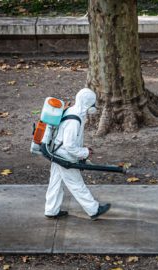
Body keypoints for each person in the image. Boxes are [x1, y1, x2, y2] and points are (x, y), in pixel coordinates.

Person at [44, 88, 110, 220]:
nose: (93, 107)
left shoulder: (71, 111)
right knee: (76, 183)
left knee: (55, 182)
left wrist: (82, 150)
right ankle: (93, 209)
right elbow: (69, 145)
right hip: (64, 156)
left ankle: (51, 210)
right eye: (92, 104)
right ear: (87, 104)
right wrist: (85, 152)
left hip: (56, 152)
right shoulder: (75, 120)